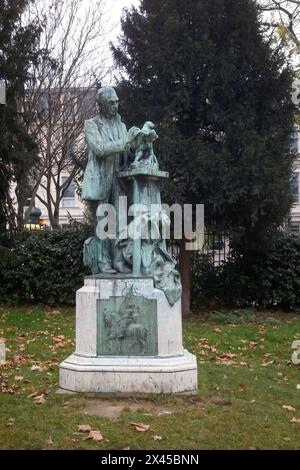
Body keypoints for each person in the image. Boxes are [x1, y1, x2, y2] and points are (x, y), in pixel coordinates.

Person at [82, 86, 139, 274]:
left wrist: (133, 146)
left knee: (121, 222)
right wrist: (126, 142)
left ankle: (118, 260)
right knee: (103, 223)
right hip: (100, 180)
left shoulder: (121, 126)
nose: (115, 105)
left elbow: (126, 154)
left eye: (116, 101)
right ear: (100, 105)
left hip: (119, 179)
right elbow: (99, 149)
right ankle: (102, 262)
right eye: (111, 103)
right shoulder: (91, 124)